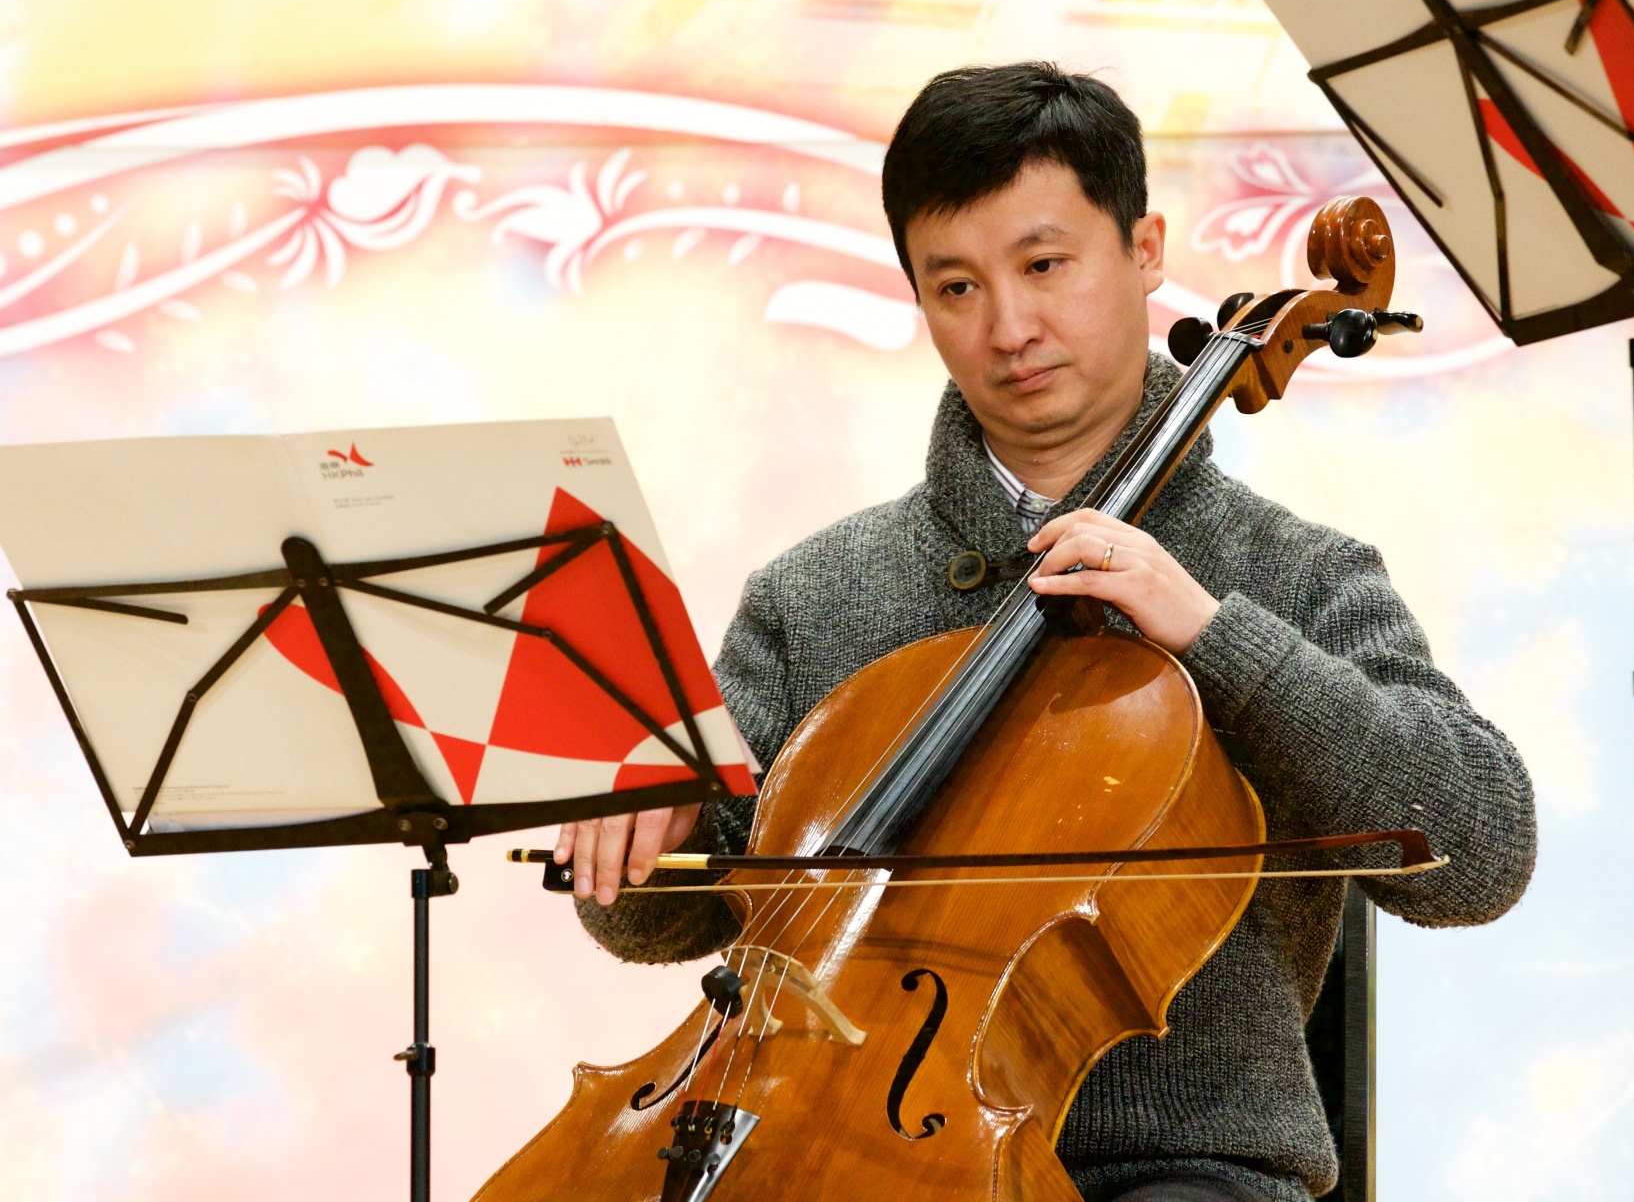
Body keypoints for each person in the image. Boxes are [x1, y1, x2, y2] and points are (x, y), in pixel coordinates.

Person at [553, 62, 1536, 1202]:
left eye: (1044, 265)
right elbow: (659, 923)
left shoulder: (1297, 573)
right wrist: (639, 820)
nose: (1009, 328)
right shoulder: (814, 594)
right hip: (825, 1151)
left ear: (1146, 249)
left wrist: (1214, 636)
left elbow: (1482, 853)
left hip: (1177, 1172)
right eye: (956, 286)